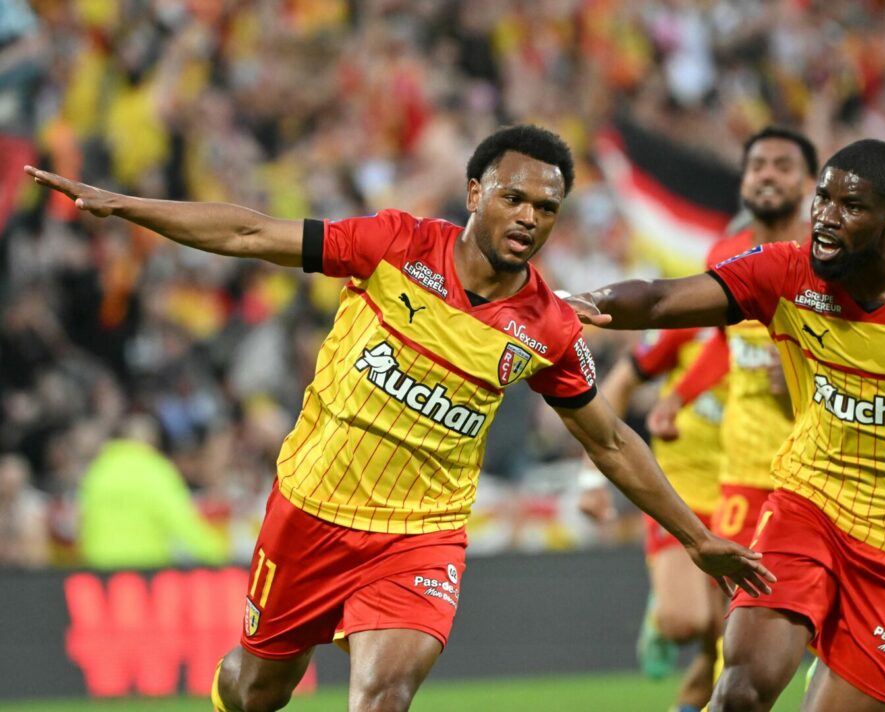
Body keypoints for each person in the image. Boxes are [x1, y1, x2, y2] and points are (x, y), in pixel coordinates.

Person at [25, 124, 773, 712]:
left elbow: (609, 440)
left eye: (547, 209)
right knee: (257, 690)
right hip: (312, 510)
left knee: (383, 697)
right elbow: (252, 234)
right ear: (475, 191)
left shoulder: (547, 327)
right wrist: (126, 206)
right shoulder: (395, 246)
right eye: (514, 198)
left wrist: (698, 538)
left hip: (420, 534)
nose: (529, 218)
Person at [568, 138, 885, 711]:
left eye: (851, 207)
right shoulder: (786, 270)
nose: (827, 218)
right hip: (809, 508)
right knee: (739, 692)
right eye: (823, 199)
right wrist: (579, 303)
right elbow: (662, 300)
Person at [580, 126, 818, 712]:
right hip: (731, 476)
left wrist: (803, 379)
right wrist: (680, 397)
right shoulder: (721, 265)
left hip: (811, 475)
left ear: (811, 184)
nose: (766, 175)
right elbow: (719, 342)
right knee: (717, 630)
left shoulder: (830, 265)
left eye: (782, 165)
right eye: (756, 165)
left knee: (748, 636)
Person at [578, 326, 728, 711]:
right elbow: (618, 384)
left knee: (727, 641)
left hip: (741, 495)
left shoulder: (778, 329)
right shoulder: (692, 323)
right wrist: (591, 478)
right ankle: (661, 613)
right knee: (686, 622)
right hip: (680, 495)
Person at [78, 414, 229, 569]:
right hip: (146, 568)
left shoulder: (98, 471)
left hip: (100, 568)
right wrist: (216, 554)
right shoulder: (155, 470)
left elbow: (84, 523)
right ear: (151, 441)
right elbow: (181, 520)